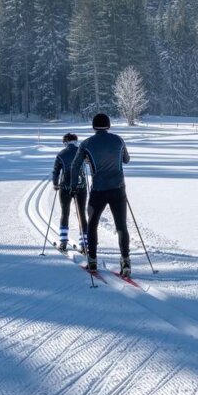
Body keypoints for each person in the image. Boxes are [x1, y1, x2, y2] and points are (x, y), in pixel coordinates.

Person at [70, 113, 132, 275]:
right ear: (109, 125)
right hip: (118, 189)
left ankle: (92, 260)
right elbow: (126, 160)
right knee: (121, 226)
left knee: (92, 224)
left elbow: (75, 166)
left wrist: (73, 185)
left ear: (93, 127)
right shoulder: (118, 140)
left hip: (98, 191)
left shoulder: (87, 143)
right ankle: (125, 260)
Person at [52, 133, 87, 253]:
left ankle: (63, 242)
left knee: (65, 212)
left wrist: (55, 184)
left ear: (65, 142)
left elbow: (56, 171)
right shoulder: (82, 152)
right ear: (76, 141)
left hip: (65, 187)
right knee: (81, 213)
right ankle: (84, 243)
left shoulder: (61, 154)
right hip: (81, 186)